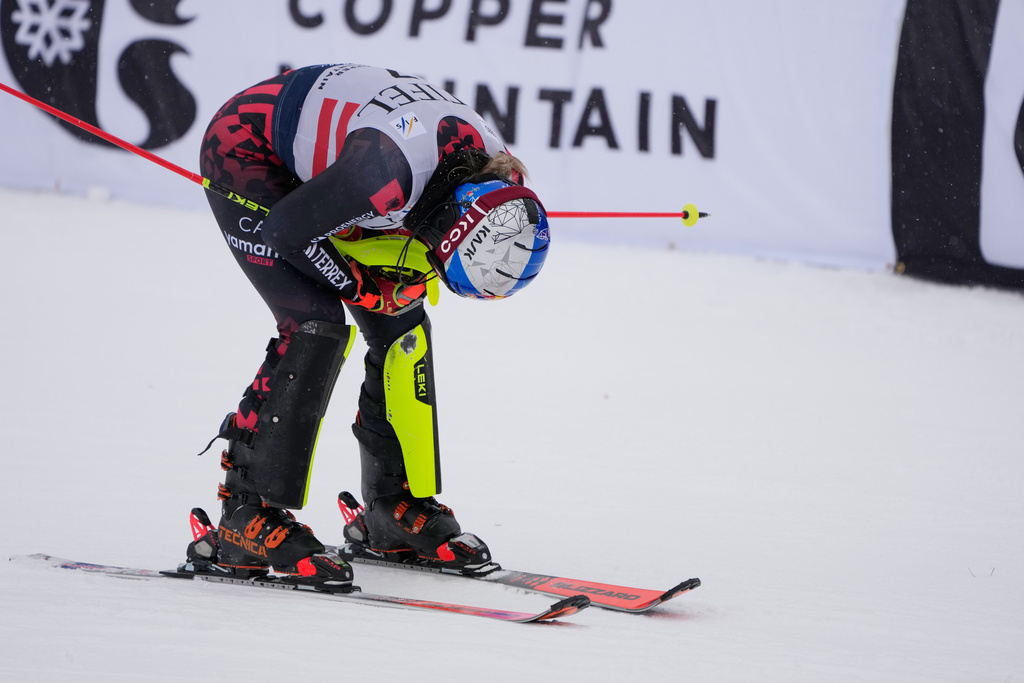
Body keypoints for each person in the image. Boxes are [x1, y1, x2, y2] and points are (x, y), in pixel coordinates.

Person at [192, 63, 550, 579]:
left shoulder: (501, 182)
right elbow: (288, 231)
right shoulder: (383, 176)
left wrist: (388, 289)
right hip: (249, 148)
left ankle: (391, 507)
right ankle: (245, 513)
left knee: (402, 324)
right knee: (314, 321)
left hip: (348, 174)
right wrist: (362, 285)